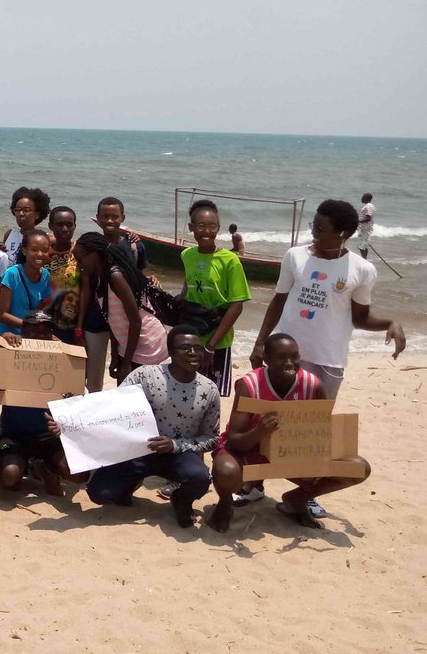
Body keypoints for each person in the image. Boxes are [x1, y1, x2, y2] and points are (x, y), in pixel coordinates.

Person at [208, 334, 370, 533]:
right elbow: (233, 441)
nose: (289, 362)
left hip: (290, 452)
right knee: (226, 471)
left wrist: (320, 457)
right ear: (266, 359)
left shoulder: (313, 385)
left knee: (358, 468)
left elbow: (320, 434)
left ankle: (298, 498)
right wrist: (260, 431)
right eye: (281, 357)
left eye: (294, 356)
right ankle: (225, 504)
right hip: (251, 448)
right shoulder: (250, 385)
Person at [250, 199, 405, 399]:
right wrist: (260, 342)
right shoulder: (295, 256)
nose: (313, 232)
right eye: (313, 226)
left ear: (343, 234)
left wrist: (391, 323)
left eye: (320, 229)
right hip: (286, 357)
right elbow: (278, 301)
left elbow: (360, 318)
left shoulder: (362, 270)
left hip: (329, 360)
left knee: (316, 424)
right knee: (277, 418)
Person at [70, 326, 220, 527]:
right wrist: (68, 421)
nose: (193, 353)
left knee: (200, 478)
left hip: (178, 455)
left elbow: (211, 438)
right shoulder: (146, 376)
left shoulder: (209, 389)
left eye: (197, 348)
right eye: (185, 348)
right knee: (99, 493)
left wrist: (175, 445)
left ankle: (181, 500)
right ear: (170, 352)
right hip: (137, 452)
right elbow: (108, 410)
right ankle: (130, 484)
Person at [0, 311, 88, 496]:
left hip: (49, 436)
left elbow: (81, 401)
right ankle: (29, 467)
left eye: (46, 332)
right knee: (10, 477)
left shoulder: (63, 361)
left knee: (79, 475)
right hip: (14, 436)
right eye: (34, 331)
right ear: (23, 331)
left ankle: (46, 467)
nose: (40, 336)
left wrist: (64, 423)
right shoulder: (9, 355)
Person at [73, 232, 167, 384]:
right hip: (127, 346)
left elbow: (136, 321)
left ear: (95, 255)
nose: (79, 266)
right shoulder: (99, 277)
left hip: (146, 345)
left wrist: (126, 363)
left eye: (80, 259)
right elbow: (111, 319)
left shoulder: (115, 276)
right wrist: (116, 356)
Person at [180, 199, 250, 397]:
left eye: (212, 227)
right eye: (201, 226)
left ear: (218, 229)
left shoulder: (230, 260)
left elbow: (237, 306)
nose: (206, 232)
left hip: (217, 341)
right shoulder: (187, 255)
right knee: (187, 392)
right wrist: (182, 295)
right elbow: (190, 280)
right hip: (191, 336)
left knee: (212, 396)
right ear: (191, 227)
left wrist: (211, 346)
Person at [0, 228, 53, 335]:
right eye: (34, 250)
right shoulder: (12, 274)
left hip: (29, 335)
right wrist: (29, 326)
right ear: (25, 251)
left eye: (44, 250)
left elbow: (39, 310)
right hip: (7, 334)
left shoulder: (46, 275)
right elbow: (2, 314)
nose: (40, 254)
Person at [44, 206, 83, 347]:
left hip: (72, 322)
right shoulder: (42, 253)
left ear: (75, 226)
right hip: (44, 321)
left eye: (69, 224)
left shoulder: (81, 252)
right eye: (59, 225)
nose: (65, 229)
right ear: (50, 226)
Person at [2, 187, 51, 266]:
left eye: (26, 210)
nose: (21, 214)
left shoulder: (43, 238)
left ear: (37, 214)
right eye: (18, 210)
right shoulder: (9, 234)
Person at [357, 193, 375, 260]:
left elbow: (368, 218)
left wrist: (358, 221)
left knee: (361, 247)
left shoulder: (368, 206)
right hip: (366, 228)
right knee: (365, 246)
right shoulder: (370, 206)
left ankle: (364, 260)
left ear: (367, 199)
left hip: (364, 229)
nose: (362, 198)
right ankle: (365, 259)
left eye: (363, 197)